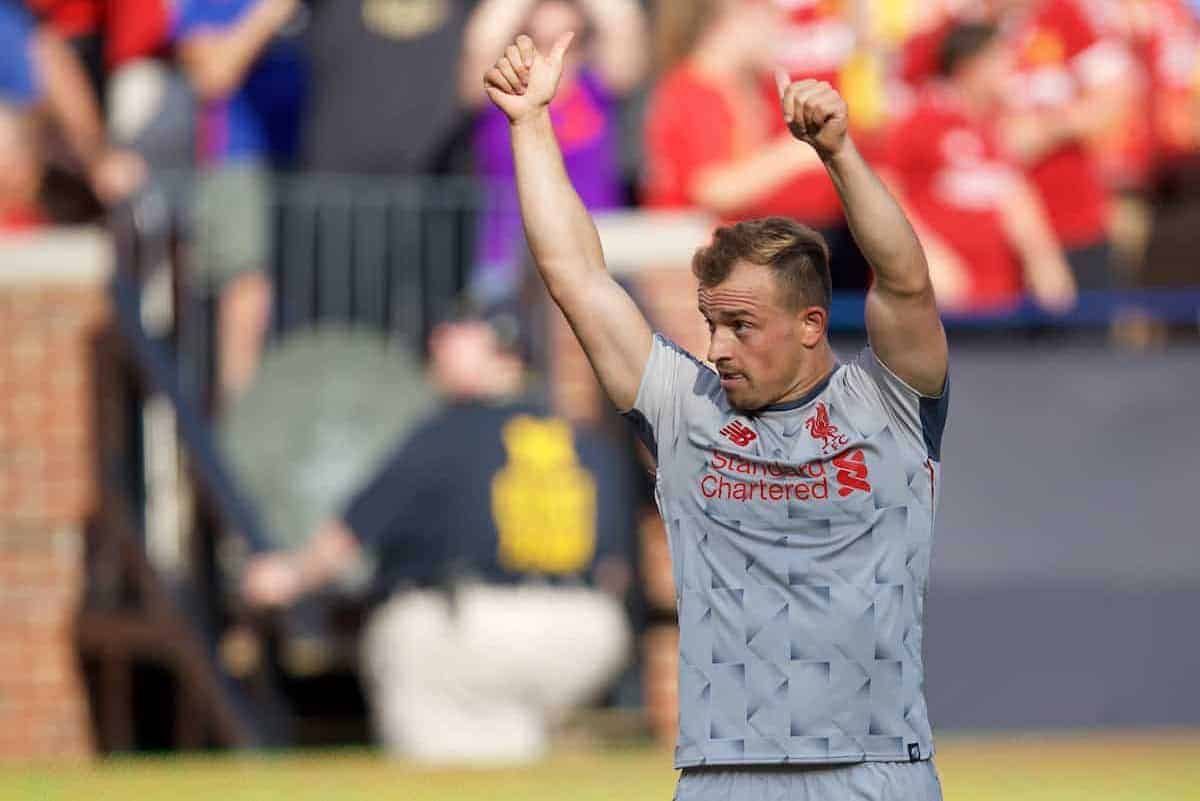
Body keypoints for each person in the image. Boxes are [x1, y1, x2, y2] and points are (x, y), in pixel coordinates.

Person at [486, 30, 947, 800]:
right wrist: (531, 125)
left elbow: (905, 283)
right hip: (723, 774)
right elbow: (576, 275)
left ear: (808, 324)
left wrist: (837, 153)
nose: (718, 346)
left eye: (741, 325)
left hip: (878, 771)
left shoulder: (890, 407)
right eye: (710, 323)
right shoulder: (684, 410)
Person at [242, 307, 634, 764]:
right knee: (508, 739)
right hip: (586, 634)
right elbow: (616, 570)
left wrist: (286, 578)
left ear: (497, 351)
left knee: (420, 692)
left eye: (456, 332)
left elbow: (346, 539)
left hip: (473, 628)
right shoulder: (583, 440)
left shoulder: (448, 431)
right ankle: (523, 753)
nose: (438, 343)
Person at [643, 0, 870, 291]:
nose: (781, 37)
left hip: (728, 260)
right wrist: (797, 153)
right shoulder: (695, 89)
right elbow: (713, 188)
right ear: (736, 19)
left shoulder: (742, 90)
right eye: (771, 22)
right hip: (690, 266)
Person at [883, 22, 1077, 313]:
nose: (1011, 69)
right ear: (969, 66)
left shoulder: (996, 127)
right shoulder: (920, 120)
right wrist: (921, 257)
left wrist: (1043, 258)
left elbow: (1013, 194)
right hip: (933, 306)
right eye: (1000, 59)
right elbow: (882, 192)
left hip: (997, 301)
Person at [462, 0, 647, 303]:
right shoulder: (501, 92)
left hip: (597, 257)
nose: (553, 55)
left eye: (568, 42)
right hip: (508, 260)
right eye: (535, 42)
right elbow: (482, 40)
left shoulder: (597, 89)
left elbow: (623, 25)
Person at [174, 0, 307, 408]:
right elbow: (213, 75)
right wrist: (271, 12)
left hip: (314, 162)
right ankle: (238, 434)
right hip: (239, 161)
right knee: (247, 295)